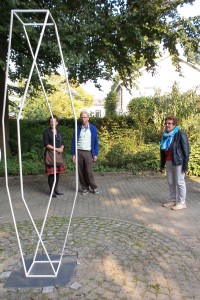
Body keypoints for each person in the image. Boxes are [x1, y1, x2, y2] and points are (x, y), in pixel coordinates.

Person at [160, 115, 189, 210]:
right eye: (166, 123)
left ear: (174, 124)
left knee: (180, 182)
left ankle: (182, 202)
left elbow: (186, 150)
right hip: (168, 161)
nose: (167, 125)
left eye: (169, 123)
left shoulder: (180, 134)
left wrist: (185, 165)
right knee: (171, 182)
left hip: (178, 162)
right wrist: (162, 164)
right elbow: (163, 151)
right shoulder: (165, 135)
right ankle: (173, 201)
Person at [71, 111, 99, 195]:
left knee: (88, 171)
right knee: (80, 171)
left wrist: (95, 154)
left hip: (88, 152)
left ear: (88, 118)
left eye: (85, 117)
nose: (83, 119)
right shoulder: (78, 128)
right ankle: (84, 188)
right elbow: (73, 142)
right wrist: (73, 154)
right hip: (79, 151)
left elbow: (96, 142)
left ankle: (94, 187)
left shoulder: (93, 128)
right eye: (82, 117)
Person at [43, 115, 65, 198]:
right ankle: (51, 191)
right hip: (50, 156)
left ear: (57, 122)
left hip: (59, 155)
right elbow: (46, 144)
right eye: (51, 122)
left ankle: (56, 189)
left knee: (57, 173)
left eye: (54, 122)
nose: (52, 123)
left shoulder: (59, 132)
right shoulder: (46, 132)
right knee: (52, 174)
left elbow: (62, 142)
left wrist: (62, 148)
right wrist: (56, 149)